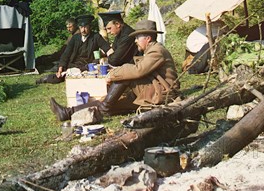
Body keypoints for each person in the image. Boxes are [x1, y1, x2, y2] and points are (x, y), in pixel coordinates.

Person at [49, 19, 179, 120]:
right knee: (110, 103)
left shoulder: (157, 51)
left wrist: (113, 74)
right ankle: (68, 112)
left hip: (161, 94)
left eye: (137, 38)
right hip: (152, 91)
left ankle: (103, 108)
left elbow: (139, 70)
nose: (135, 41)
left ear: (148, 38)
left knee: (122, 78)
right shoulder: (152, 49)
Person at [37, 14, 110, 84]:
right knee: (60, 76)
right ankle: (46, 78)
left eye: (85, 27)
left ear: (90, 27)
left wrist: (108, 58)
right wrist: (60, 67)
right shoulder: (75, 38)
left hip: (88, 65)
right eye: (81, 27)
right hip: (74, 64)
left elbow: (107, 49)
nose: (83, 30)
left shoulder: (96, 37)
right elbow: (66, 53)